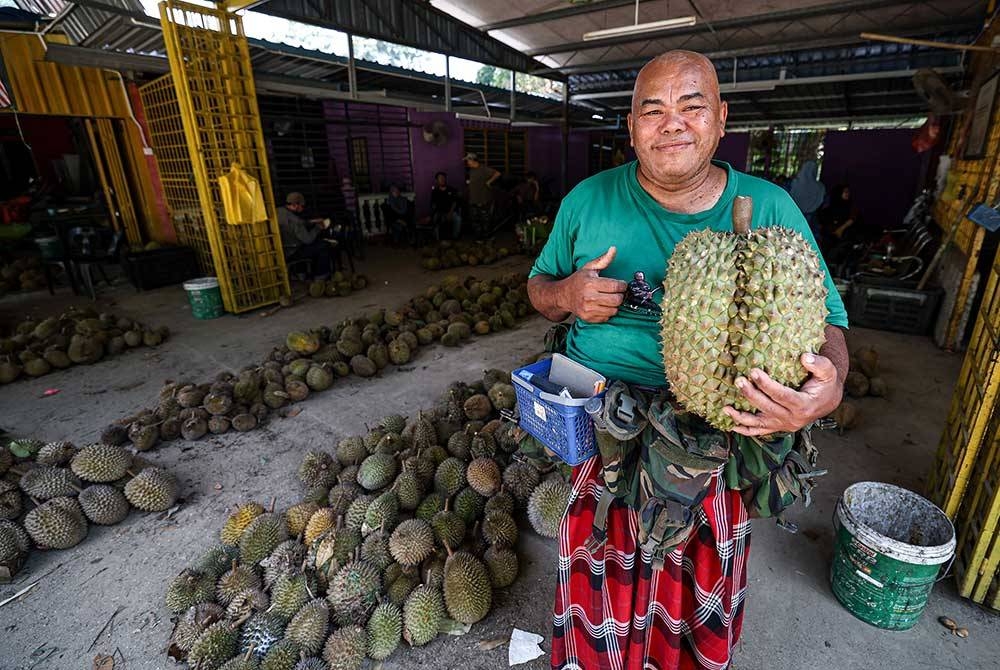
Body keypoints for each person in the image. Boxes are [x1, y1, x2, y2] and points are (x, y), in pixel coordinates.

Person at [526, 50, 848, 670]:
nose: (671, 122)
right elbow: (539, 288)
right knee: (603, 586)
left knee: (696, 588)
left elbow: (831, 321)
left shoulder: (773, 207)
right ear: (631, 125)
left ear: (721, 119)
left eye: (691, 106)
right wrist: (565, 295)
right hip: (603, 427)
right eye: (653, 109)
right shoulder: (586, 201)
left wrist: (826, 392)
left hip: (722, 434)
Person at [277, 192, 331, 279]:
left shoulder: (279, 211)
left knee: (303, 245)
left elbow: (296, 223)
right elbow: (308, 239)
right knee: (323, 245)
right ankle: (320, 277)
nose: (303, 208)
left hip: (283, 250)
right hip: (293, 252)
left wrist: (312, 221)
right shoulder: (295, 221)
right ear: (295, 205)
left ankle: (301, 274)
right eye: (302, 206)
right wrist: (318, 227)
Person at [464, 152, 500, 234]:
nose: (467, 162)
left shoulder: (483, 169)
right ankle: (479, 238)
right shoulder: (471, 170)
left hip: (483, 200)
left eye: (468, 160)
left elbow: (497, 173)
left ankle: (486, 237)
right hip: (473, 200)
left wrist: (489, 182)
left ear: (473, 160)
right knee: (474, 220)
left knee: (485, 221)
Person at [788, 160, 826, 238]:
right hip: (812, 220)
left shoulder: (795, 183)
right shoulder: (820, 187)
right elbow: (823, 203)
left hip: (793, 216)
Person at [430, 171, 461, 239]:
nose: (442, 179)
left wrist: (450, 213)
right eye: (440, 178)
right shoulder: (435, 192)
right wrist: (433, 214)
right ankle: (437, 238)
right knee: (435, 218)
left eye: (443, 178)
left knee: (457, 219)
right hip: (440, 212)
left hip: (451, 212)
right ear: (437, 180)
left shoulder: (451, 189)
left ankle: (454, 237)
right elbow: (433, 205)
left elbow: (455, 202)